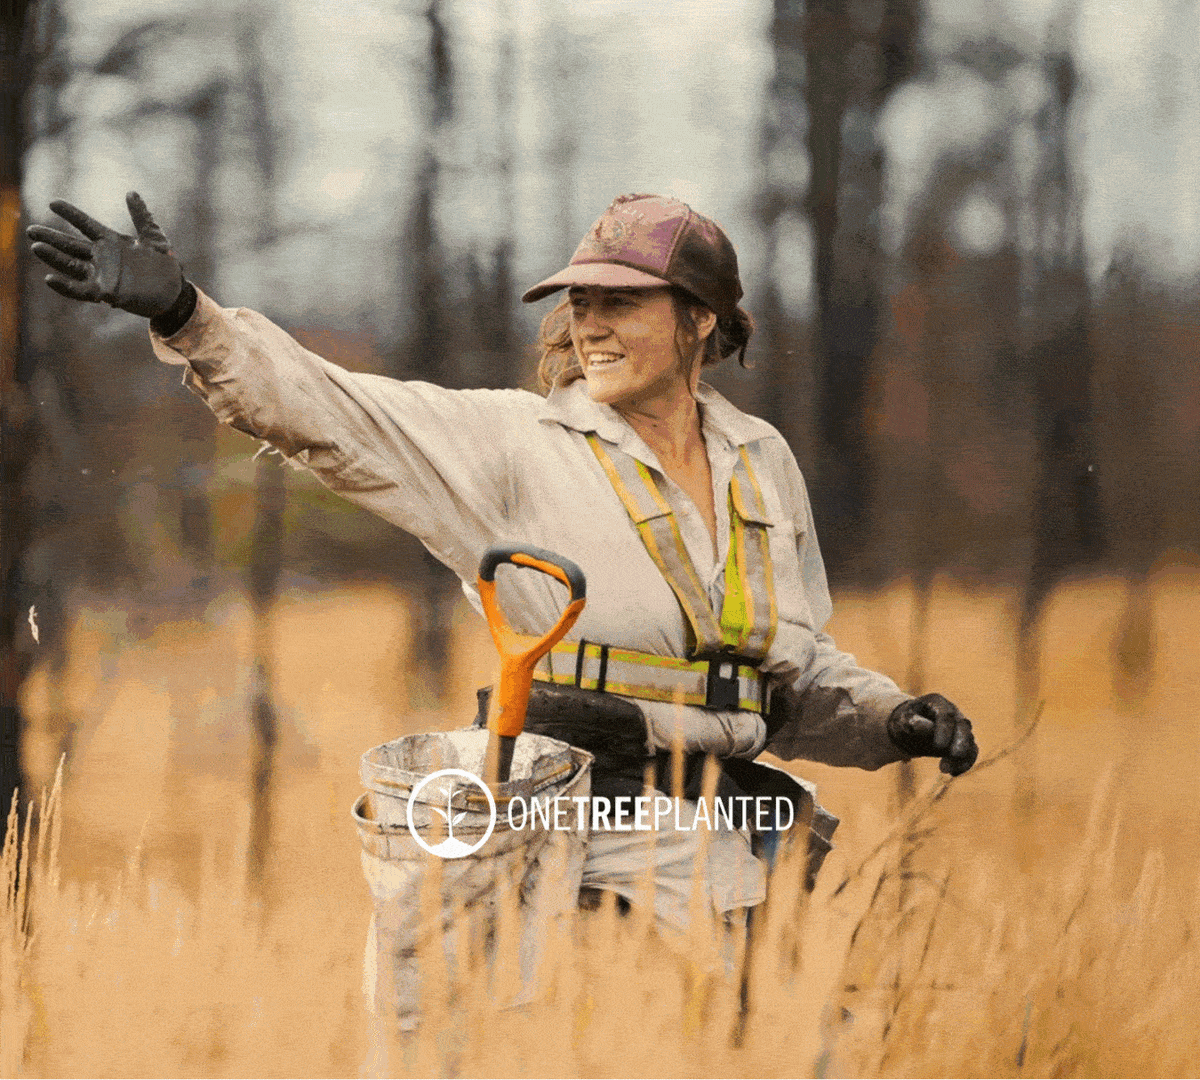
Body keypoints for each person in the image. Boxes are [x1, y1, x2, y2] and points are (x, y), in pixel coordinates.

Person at [27, 190, 977, 932]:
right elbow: (332, 410)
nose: (590, 324)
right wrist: (190, 317)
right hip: (576, 829)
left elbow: (790, 673)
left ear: (700, 321)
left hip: (740, 833)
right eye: (581, 302)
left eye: (623, 303)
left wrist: (896, 719)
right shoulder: (517, 443)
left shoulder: (762, 462)